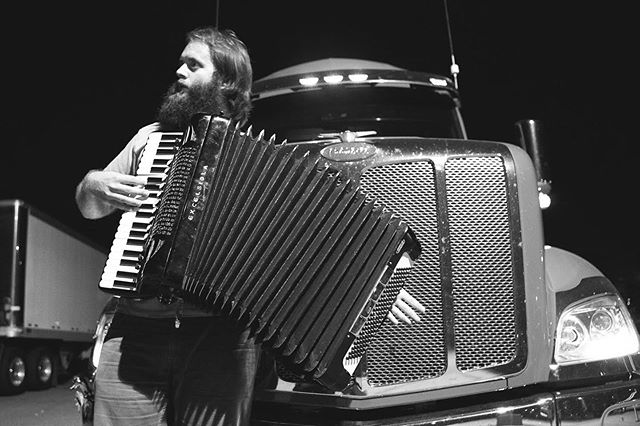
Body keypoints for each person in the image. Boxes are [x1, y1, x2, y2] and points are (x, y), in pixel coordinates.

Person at [76, 26, 424, 426]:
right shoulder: (149, 140)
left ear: (224, 80)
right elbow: (89, 208)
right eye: (180, 62)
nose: (178, 71)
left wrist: (366, 288)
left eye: (193, 64)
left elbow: (307, 249)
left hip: (221, 342)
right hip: (136, 329)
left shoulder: (272, 166)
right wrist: (92, 183)